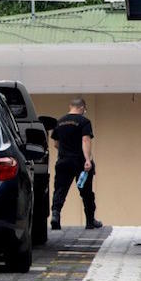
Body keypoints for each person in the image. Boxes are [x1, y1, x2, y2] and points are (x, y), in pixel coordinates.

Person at [50, 97, 103, 230]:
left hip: (63, 161)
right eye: (84, 109)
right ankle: (90, 221)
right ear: (81, 107)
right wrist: (87, 159)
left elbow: (56, 143)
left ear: (70, 106)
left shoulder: (59, 122)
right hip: (79, 162)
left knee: (60, 190)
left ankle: (55, 215)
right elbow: (85, 140)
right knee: (86, 192)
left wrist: (65, 152)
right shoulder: (84, 122)